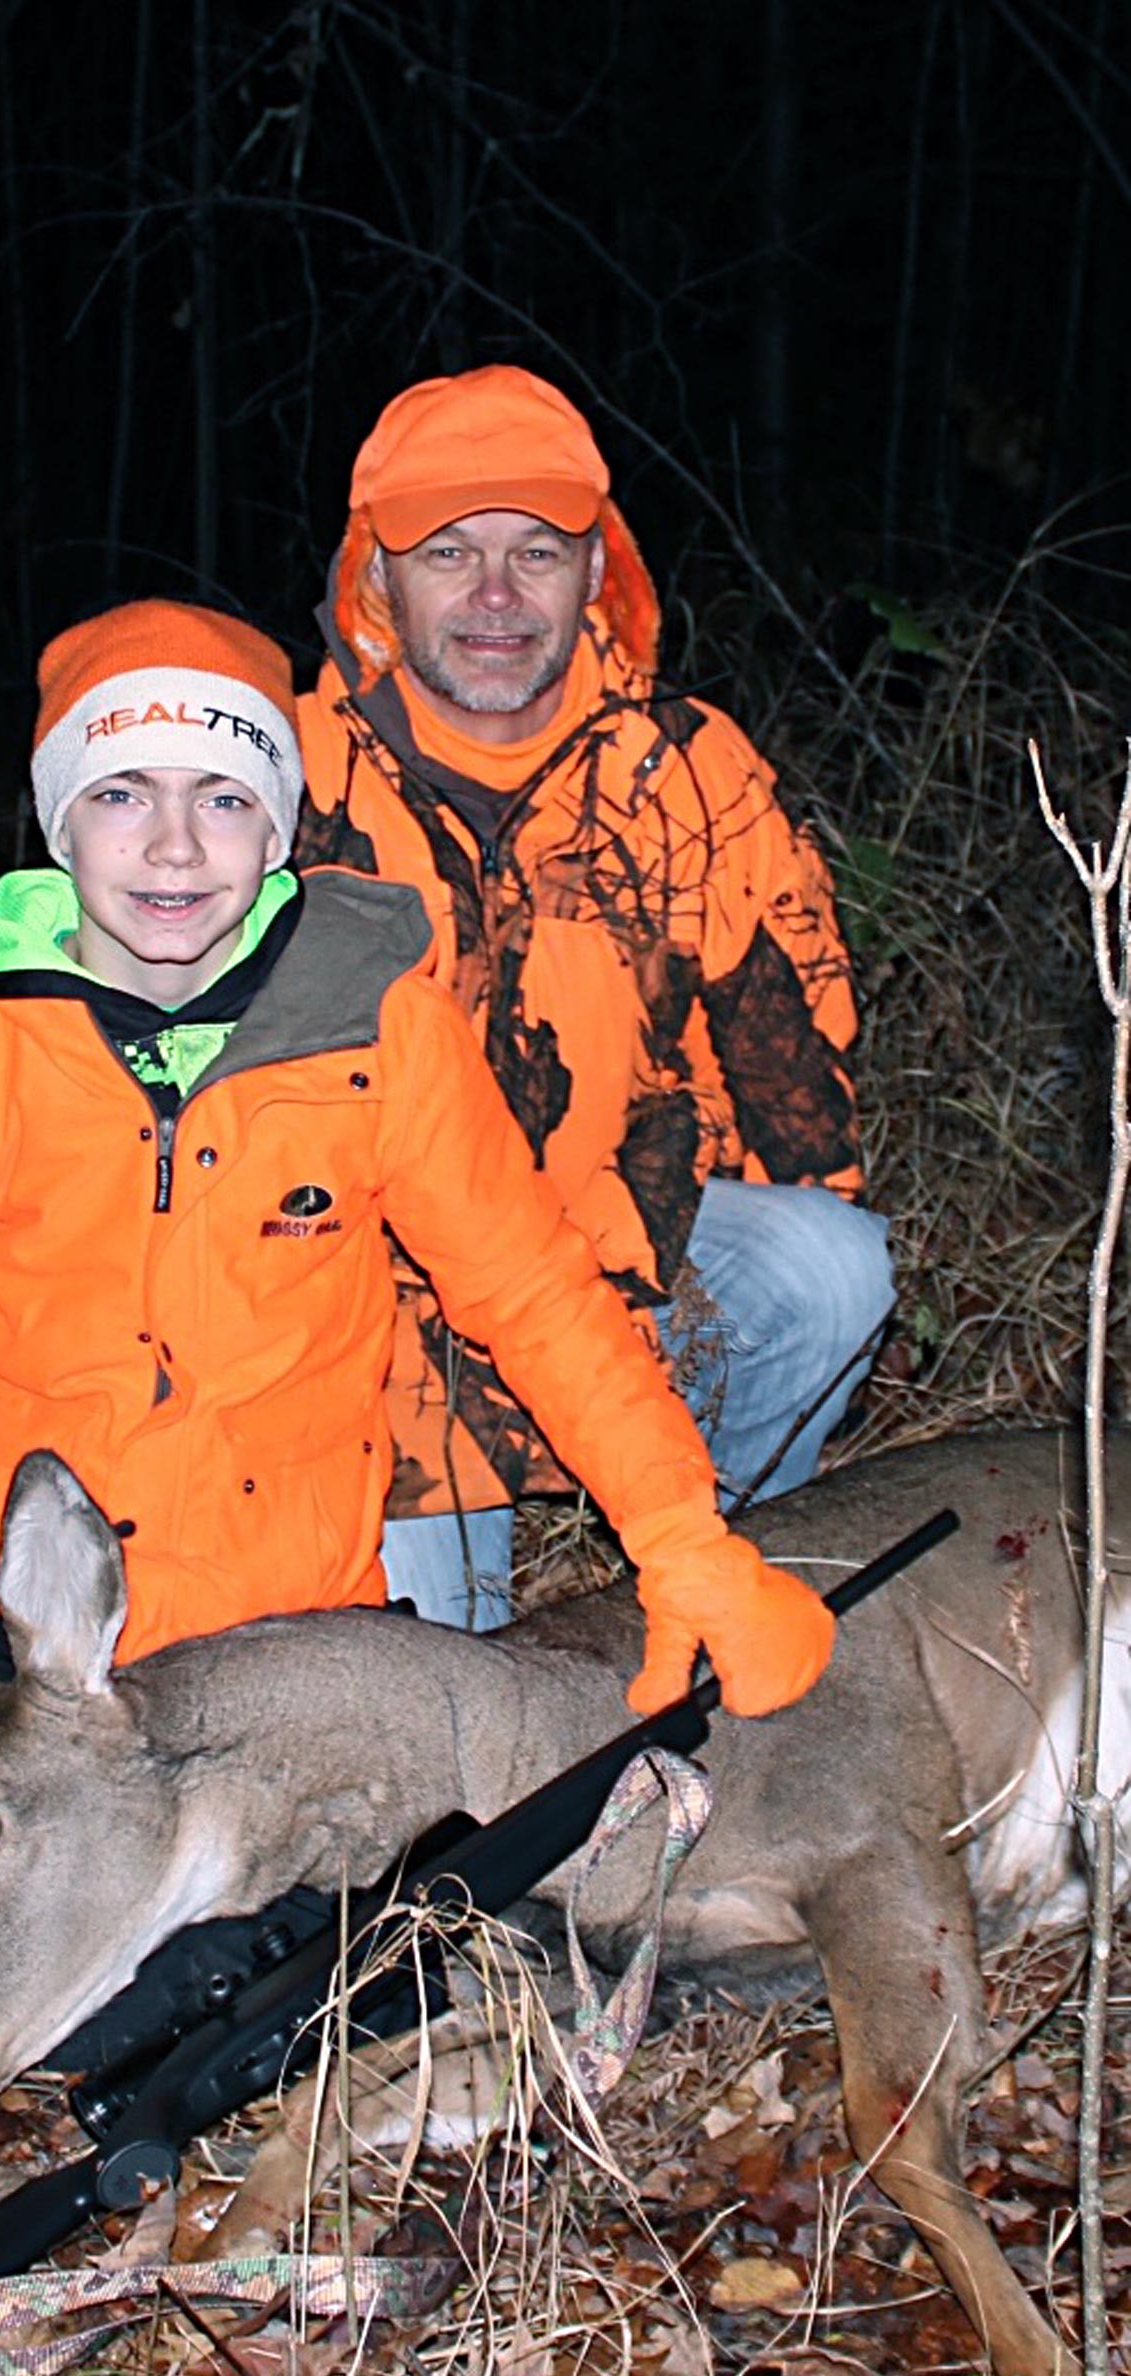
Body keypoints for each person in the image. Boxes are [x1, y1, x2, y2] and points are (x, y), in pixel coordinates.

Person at [0, 599, 835, 1865]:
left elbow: (533, 1295)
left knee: (351, 1955)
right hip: (12, 1624)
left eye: (226, 799)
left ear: (281, 825)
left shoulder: (382, 1038)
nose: (175, 849)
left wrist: (684, 1542)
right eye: (123, 792)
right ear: (57, 820)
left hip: (273, 1618)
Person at [296, 365, 894, 1630]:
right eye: (448, 552)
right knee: (436, 1735)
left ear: (598, 571)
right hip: (373, 1331)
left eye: (539, 552)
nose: (497, 596)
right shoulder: (281, 782)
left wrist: (658, 1360)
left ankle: (707, 1552)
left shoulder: (690, 772)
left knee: (833, 1269)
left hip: (617, 1264)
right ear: (377, 583)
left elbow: (800, 1078)